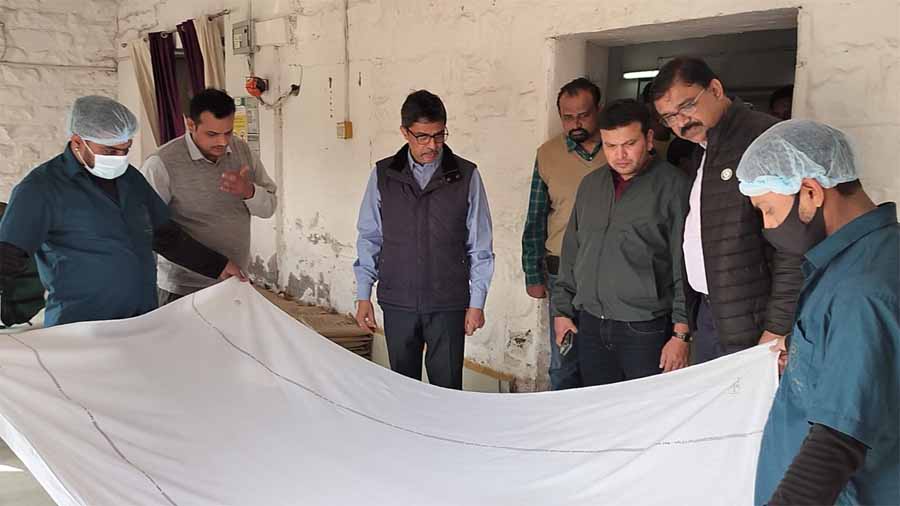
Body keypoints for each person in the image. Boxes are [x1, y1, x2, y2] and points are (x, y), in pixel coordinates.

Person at [736, 120, 899, 506]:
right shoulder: (862, 258)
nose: (768, 227)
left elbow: (837, 441)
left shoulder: (861, 289)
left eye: (768, 210)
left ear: (810, 192)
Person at [0, 96, 244, 327]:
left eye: (125, 149)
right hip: (81, 324)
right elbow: (8, 255)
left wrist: (219, 265)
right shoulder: (41, 188)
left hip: (140, 319)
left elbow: (165, 237)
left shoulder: (130, 180)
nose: (119, 158)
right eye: (109, 151)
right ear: (78, 142)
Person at [650, 57, 803, 363]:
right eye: (669, 118)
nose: (680, 123)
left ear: (716, 89)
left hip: (753, 321)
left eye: (687, 106)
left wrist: (777, 327)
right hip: (710, 314)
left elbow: (793, 247)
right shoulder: (705, 148)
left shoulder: (764, 140)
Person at [353, 90, 494, 390]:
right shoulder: (384, 175)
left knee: (448, 391)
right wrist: (363, 294)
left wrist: (477, 302)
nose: (432, 145)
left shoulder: (466, 176)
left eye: (439, 135)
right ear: (405, 132)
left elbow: (480, 246)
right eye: (422, 136)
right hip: (398, 301)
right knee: (404, 391)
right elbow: (370, 237)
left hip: (448, 303)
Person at [552, 99, 692, 386]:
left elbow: (684, 264)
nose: (620, 155)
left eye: (629, 144)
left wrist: (681, 333)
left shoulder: (674, 187)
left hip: (644, 327)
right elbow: (572, 252)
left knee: (645, 408)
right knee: (597, 404)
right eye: (610, 146)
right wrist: (562, 310)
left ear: (649, 138)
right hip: (590, 323)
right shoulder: (591, 185)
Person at [142, 88, 277, 305]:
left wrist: (248, 191)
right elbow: (151, 230)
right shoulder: (161, 164)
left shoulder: (242, 152)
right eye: (212, 134)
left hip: (233, 284)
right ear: (190, 125)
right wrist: (216, 265)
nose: (222, 142)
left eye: (228, 132)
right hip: (183, 290)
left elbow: (269, 207)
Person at [521, 77, 607, 390]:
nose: (576, 123)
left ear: (598, 110)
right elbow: (535, 218)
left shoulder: (618, 148)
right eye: (568, 117)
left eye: (583, 115)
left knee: (603, 359)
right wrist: (533, 274)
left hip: (608, 272)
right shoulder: (548, 154)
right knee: (563, 359)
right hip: (561, 272)